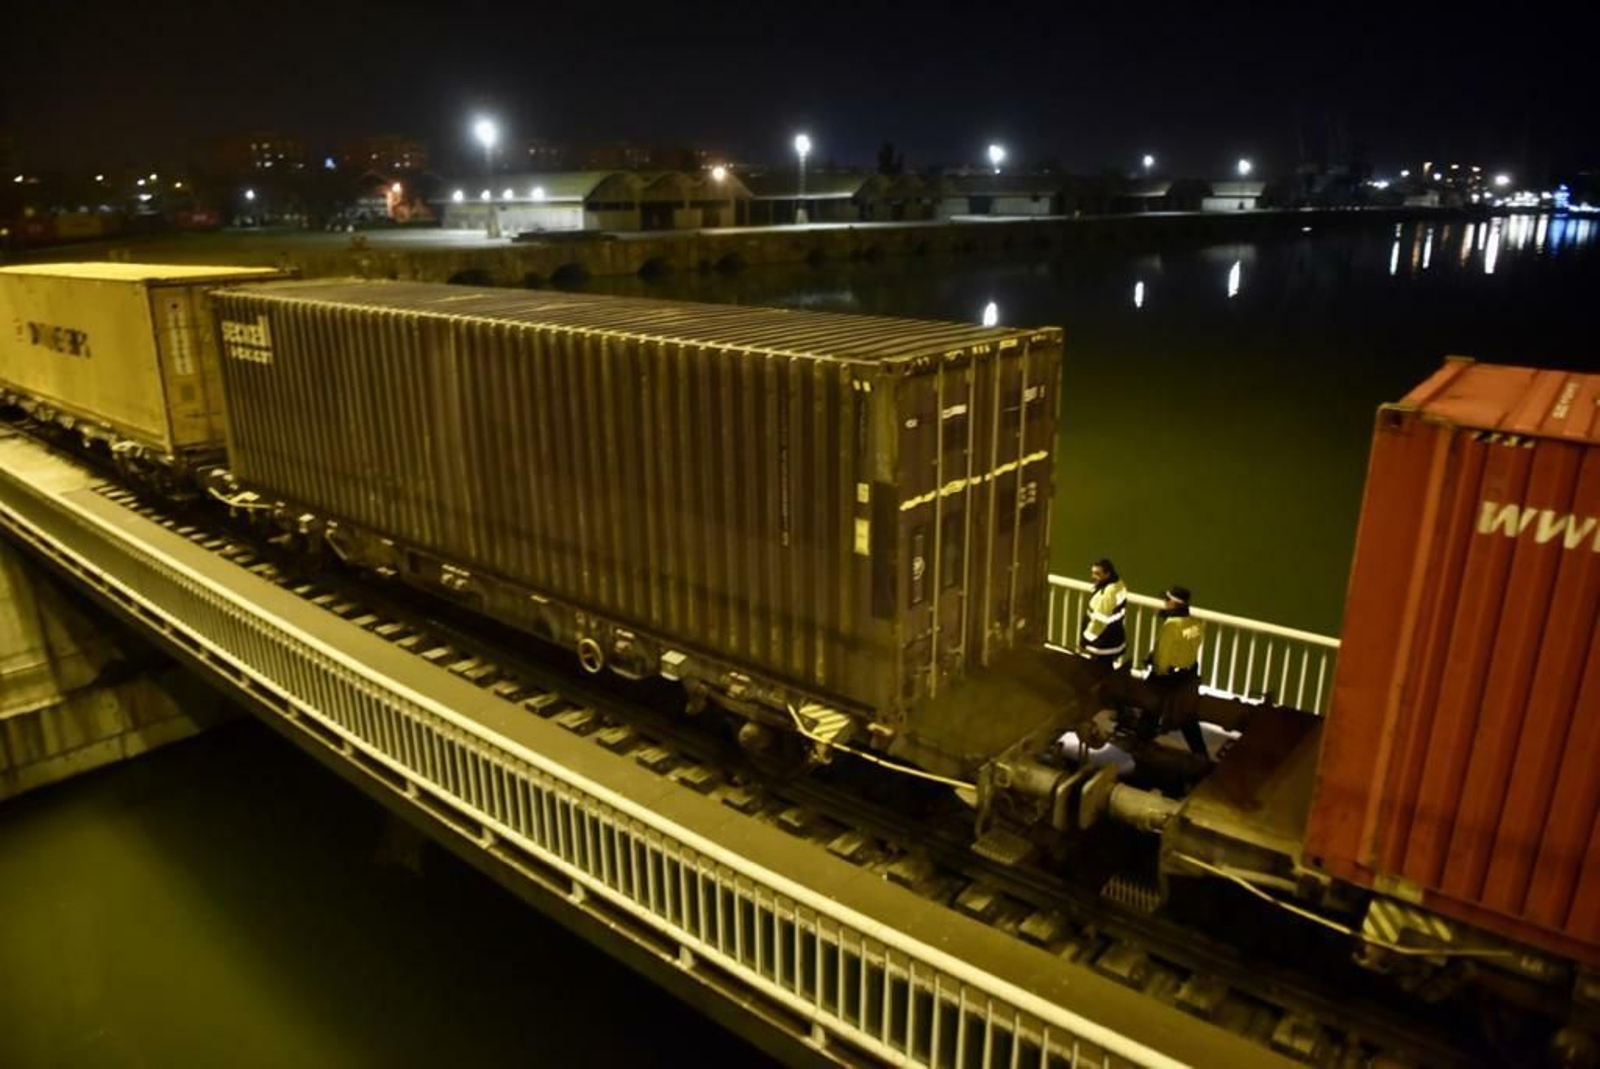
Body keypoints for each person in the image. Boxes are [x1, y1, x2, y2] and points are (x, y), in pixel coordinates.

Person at [1147, 585, 1208, 757]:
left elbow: (1162, 657)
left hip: (1171, 677)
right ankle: (1200, 753)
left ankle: (1143, 738)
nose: (1164, 603)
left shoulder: (1171, 626)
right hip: (1188, 675)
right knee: (1188, 717)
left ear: (1174, 604)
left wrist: (1157, 671)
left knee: (1149, 704)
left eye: (1167, 600)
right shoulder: (1196, 625)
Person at [1081, 559, 1127, 667]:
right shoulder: (1119, 584)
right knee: (1107, 666)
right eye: (1092, 572)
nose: (1093, 576)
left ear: (1107, 574)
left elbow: (1099, 622)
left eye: (1097, 574)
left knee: (1096, 669)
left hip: (1102, 641)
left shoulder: (1107, 594)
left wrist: (1086, 639)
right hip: (1115, 634)